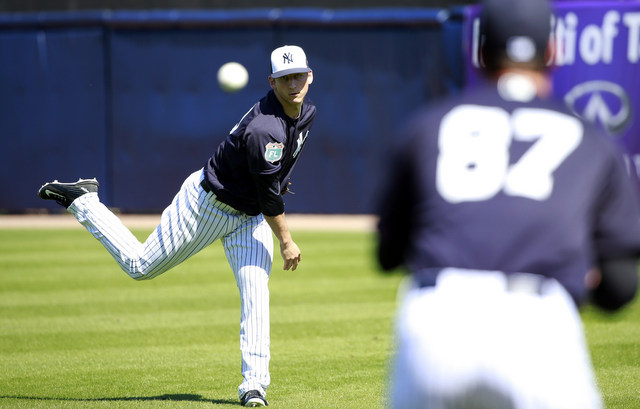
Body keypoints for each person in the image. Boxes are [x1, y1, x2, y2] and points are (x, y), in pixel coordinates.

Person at [376, 0, 640, 407]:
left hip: (436, 326)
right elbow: (621, 285)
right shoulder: (592, 141)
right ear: (554, 53)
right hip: (534, 326)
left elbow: (388, 253)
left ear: (478, 54)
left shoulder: (428, 126)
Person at [38, 44, 316, 407]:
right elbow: (269, 198)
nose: (293, 83)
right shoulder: (264, 130)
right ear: (272, 82)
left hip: (247, 219)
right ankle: (83, 200)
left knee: (256, 296)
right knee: (140, 266)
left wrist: (275, 180)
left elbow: (276, 171)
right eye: (284, 78)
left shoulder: (305, 113)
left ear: (310, 75)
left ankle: (254, 387)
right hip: (207, 206)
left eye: (298, 75)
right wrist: (287, 241)